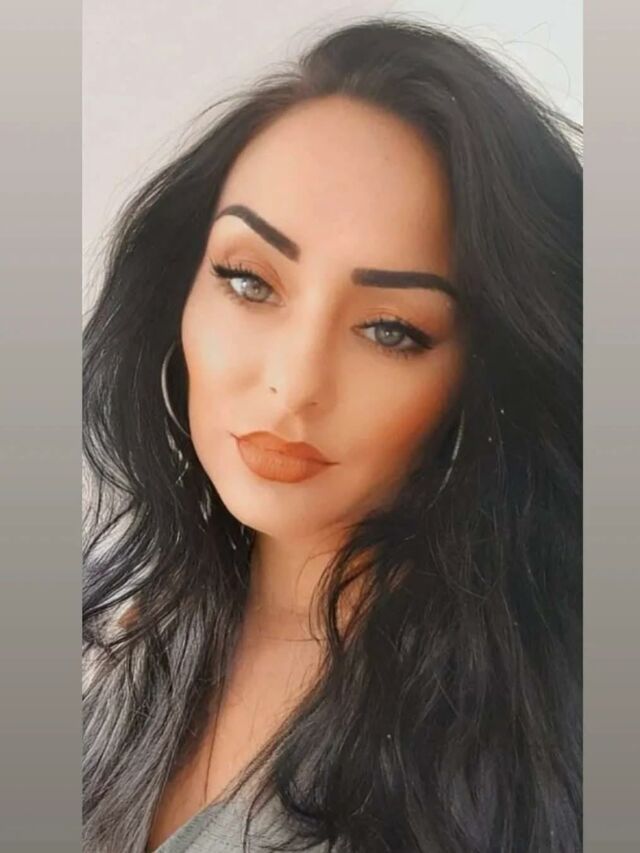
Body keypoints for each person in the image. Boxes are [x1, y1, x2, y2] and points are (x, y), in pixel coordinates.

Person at [82, 17, 582, 853]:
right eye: (249, 281)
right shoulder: (126, 627)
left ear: (478, 378)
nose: (295, 382)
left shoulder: (529, 742)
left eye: (391, 329)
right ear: (178, 288)